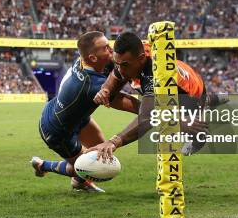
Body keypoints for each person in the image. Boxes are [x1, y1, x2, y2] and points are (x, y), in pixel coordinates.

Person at [30, 31, 140, 192]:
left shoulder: (86, 61)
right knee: (91, 166)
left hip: (72, 115)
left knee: (101, 152)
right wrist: (154, 105)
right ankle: (43, 165)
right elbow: (134, 106)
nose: (111, 50)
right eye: (106, 48)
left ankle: (79, 183)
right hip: (58, 130)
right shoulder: (93, 86)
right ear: (93, 58)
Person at [90, 32, 216, 160]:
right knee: (157, 113)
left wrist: (114, 142)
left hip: (190, 94)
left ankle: (200, 132)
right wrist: (105, 90)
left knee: (184, 125)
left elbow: (147, 118)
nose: (120, 70)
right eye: (117, 63)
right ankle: (211, 101)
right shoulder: (132, 56)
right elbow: (115, 75)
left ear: (141, 58)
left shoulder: (154, 73)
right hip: (177, 76)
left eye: (125, 65)